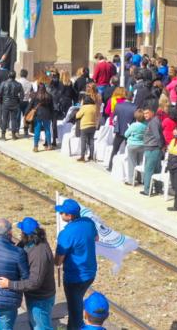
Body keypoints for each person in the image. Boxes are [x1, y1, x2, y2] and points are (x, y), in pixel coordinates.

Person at [54, 199, 98, 330]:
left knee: (75, 311)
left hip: (74, 277)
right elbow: (96, 238)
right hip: (90, 273)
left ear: (69, 216)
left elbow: (58, 261)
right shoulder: (89, 223)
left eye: (62, 212)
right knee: (77, 302)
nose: (60, 214)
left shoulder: (66, 234)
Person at [141, 105, 166, 196]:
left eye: (147, 113)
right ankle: (158, 189)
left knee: (149, 170)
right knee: (156, 170)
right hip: (154, 148)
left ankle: (147, 190)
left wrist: (161, 146)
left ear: (152, 112)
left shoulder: (153, 122)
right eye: (144, 114)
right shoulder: (153, 121)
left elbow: (158, 136)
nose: (145, 115)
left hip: (153, 149)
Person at [108, 94, 136, 172]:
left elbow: (114, 118)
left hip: (119, 130)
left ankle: (110, 166)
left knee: (115, 149)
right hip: (129, 130)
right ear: (132, 98)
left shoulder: (118, 105)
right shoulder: (135, 107)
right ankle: (126, 170)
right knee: (128, 152)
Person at [0, 71, 24, 141]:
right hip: (14, 103)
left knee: (5, 119)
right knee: (13, 119)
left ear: (8, 75)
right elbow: (22, 95)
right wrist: (18, 102)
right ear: (15, 76)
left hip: (5, 103)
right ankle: (13, 135)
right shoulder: (18, 84)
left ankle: (3, 135)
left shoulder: (4, 83)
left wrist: (1, 102)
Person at [123, 109, 147, 185]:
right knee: (140, 162)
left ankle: (131, 180)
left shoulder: (133, 125)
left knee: (131, 163)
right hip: (142, 145)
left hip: (132, 145)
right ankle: (140, 178)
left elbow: (126, 134)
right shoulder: (145, 125)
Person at [29, 83, 54, 152]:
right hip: (47, 115)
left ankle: (36, 147)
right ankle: (49, 145)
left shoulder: (35, 96)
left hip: (38, 115)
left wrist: (26, 113)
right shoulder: (49, 96)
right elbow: (52, 107)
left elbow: (30, 105)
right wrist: (52, 116)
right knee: (47, 130)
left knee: (37, 131)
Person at [74, 95, 99, 162]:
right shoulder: (94, 107)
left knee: (83, 141)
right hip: (93, 126)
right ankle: (91, 156)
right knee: (91, 141)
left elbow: (77, 116)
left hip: (84, 126)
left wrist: (81, 107)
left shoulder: (84, 107)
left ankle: (82, 156)